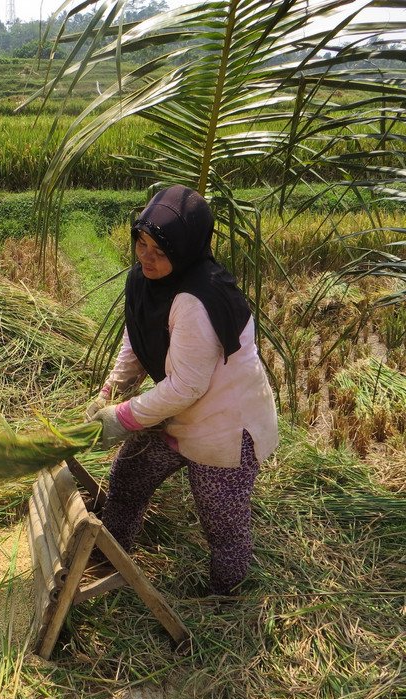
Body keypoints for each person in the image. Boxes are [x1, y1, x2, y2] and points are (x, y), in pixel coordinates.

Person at [86, 185, 278, 596]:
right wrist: (110, 390)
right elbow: (136, 337)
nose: (147, 257)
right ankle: (109, 558)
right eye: (142, 243)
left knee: (220, 517)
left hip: (222, 422)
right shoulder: (147, 279)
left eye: (161, 250)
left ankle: (226, 597)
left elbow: (187, 386)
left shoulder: (196, 300)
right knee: (128, 479)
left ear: (187, 249)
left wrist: (121, 418)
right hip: (175, 410)